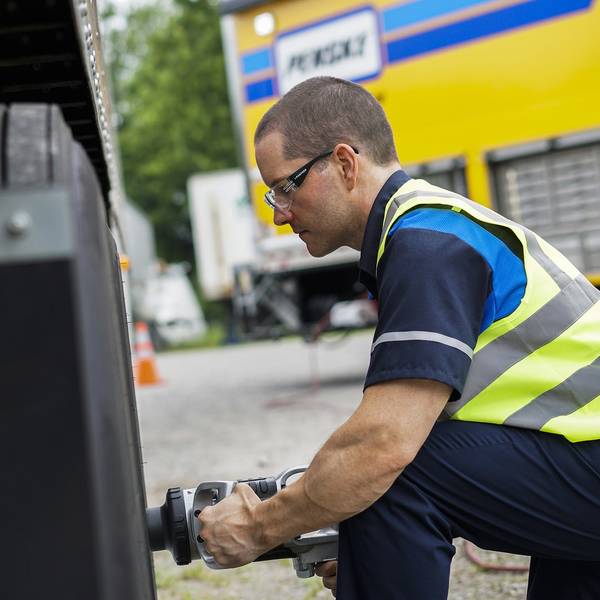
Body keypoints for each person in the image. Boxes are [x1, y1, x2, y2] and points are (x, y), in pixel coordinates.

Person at [198, 76, 600, 599]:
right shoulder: (432, 226)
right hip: (581, 461)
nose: (278, 212)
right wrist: (378, 548)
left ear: (345, 163)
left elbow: (383, 446)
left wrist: (260, 525)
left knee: (391, 475)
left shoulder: (426, 243)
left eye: (286, 185)